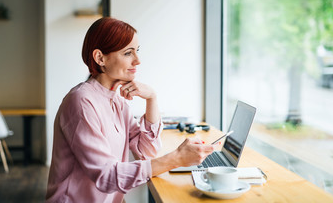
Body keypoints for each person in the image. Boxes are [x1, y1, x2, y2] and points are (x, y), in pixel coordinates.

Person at [45, 17, 215, 203]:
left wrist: (152, 99)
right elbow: (107, 176)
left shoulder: (116, 100)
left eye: (137, 51)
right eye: (128, 53)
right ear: (100, 58)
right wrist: (176, 158)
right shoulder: (81, 102)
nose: (138, 61)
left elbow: (146, 152)